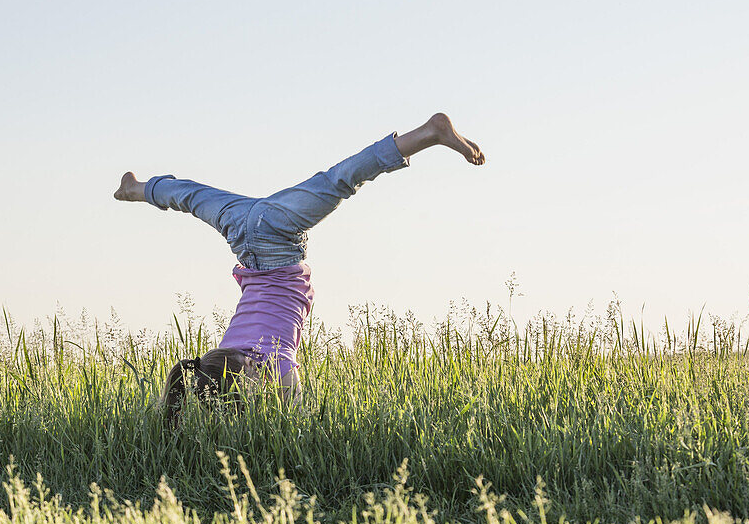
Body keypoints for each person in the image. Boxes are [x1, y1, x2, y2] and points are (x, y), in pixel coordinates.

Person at [114, 113, 484, 421]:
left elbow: (301, 420)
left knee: (342, 179)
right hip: (243, 234)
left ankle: (431, 132)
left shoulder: (278, 365)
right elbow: (218, 377)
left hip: (276, 239)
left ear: (248, 382)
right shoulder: (222, 354)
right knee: (189, 196)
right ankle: (136, 189)